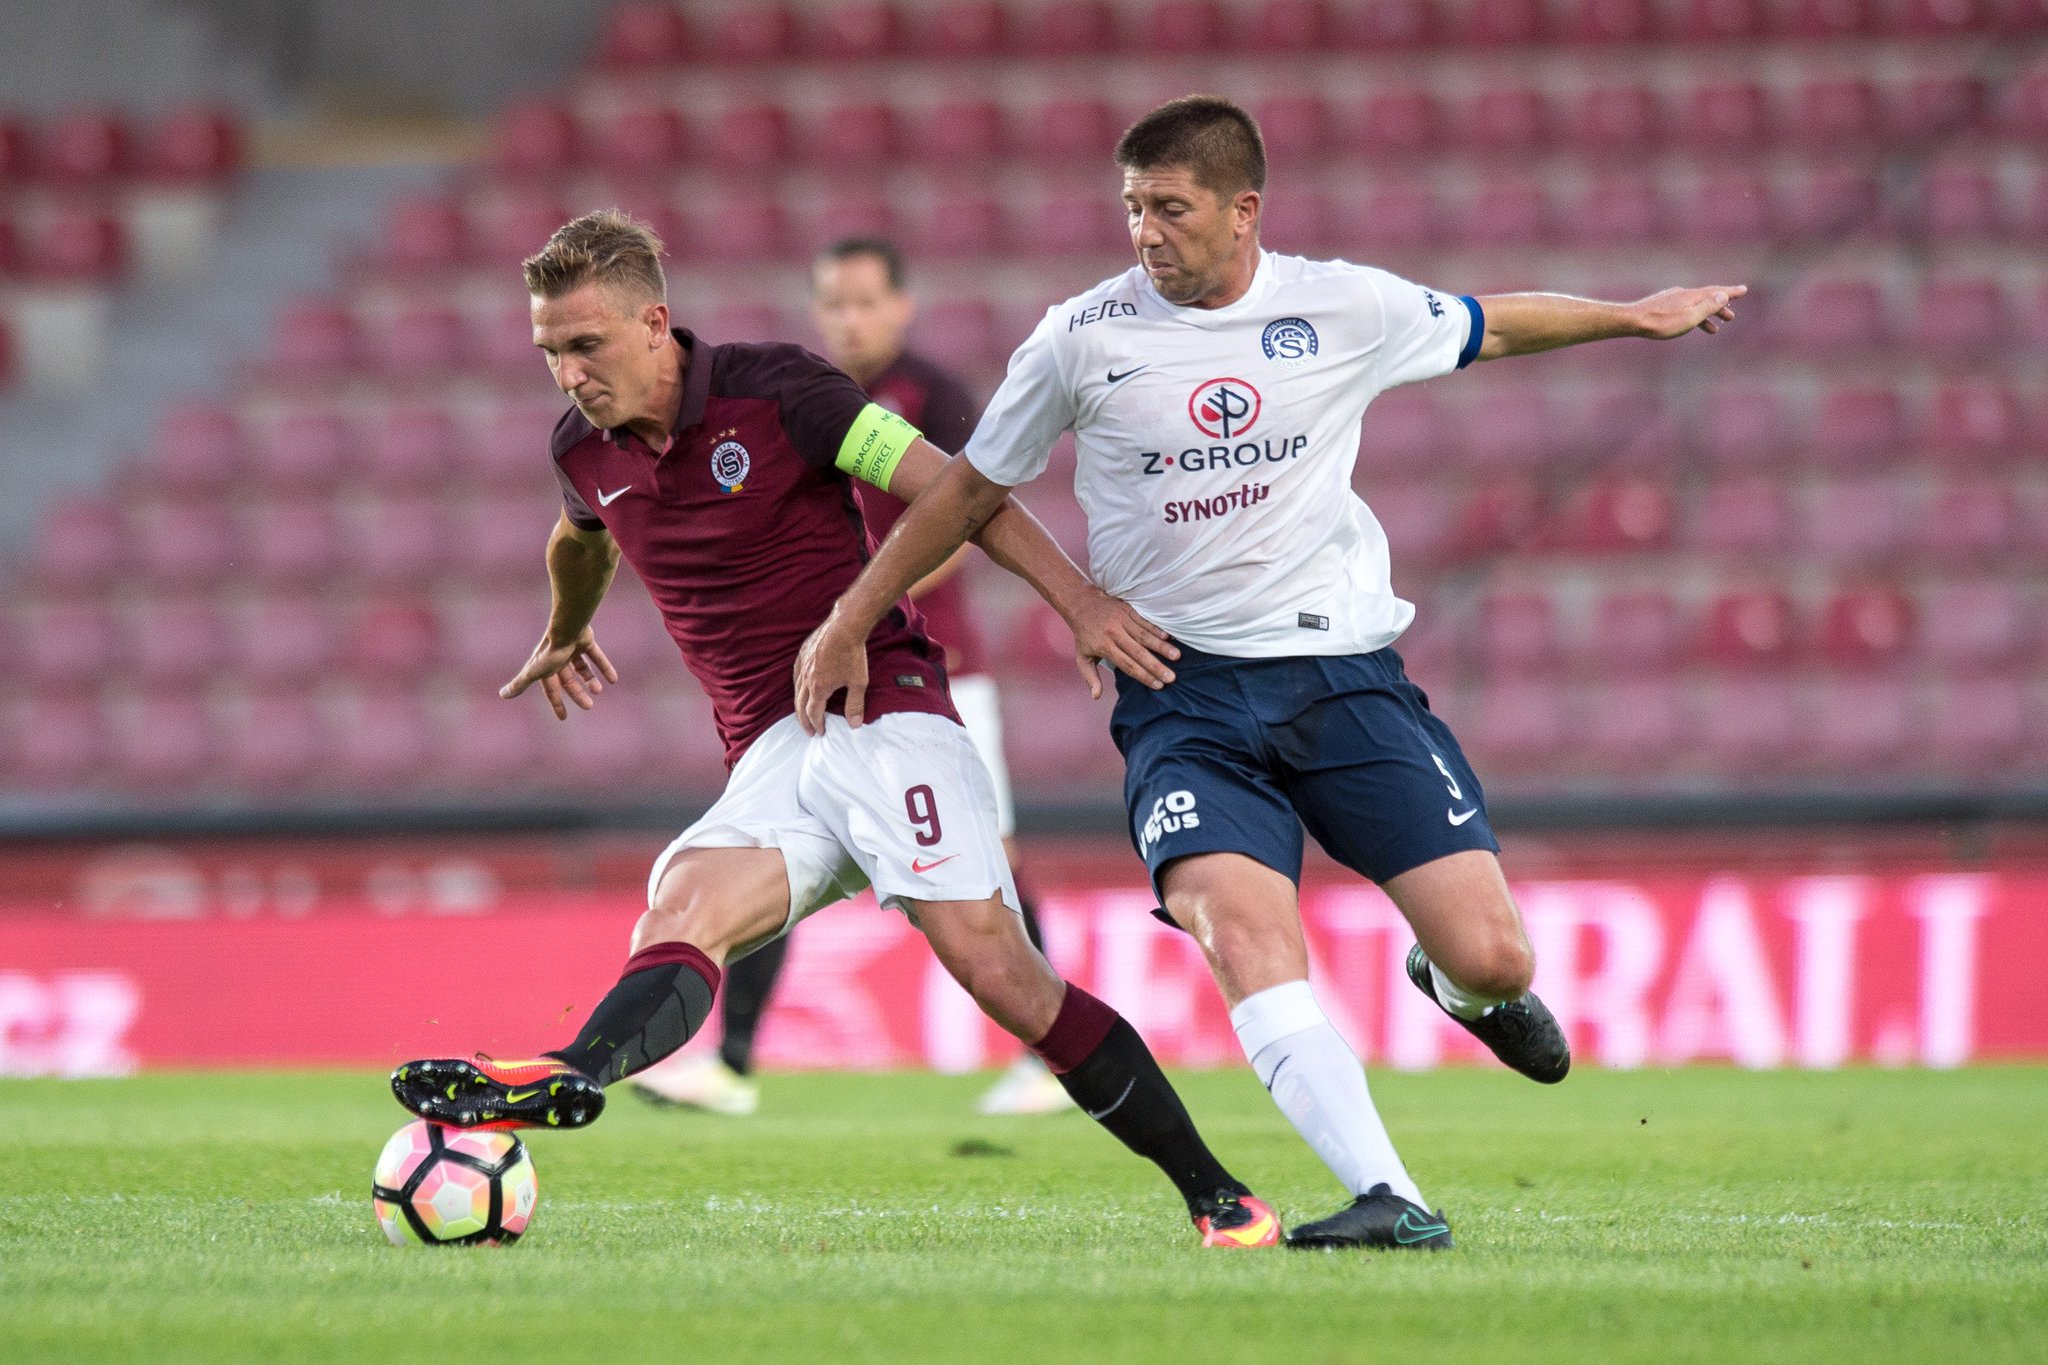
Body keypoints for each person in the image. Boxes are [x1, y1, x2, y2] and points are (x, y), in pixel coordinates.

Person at [794, 96, 1747, 1251]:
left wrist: (1632, 318)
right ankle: (1392, 1196)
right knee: (1238, 927)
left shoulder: (1339, 304)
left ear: (1242, 210)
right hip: (1180, 695)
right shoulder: (1078, 337)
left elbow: (1487, 324)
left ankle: (1459, 993)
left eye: (1171, 208)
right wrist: (890, 610)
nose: (1145, 232)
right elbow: (965, 489)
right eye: (1131, 207)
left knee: (1493, 954)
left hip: (1340, 675)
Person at [388, 209, 1282, 1251]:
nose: (568, 373)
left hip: (886, 707)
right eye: (549, 353)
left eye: (585, 346)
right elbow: (579, 533)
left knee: (1001, 973)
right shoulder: (581, 449)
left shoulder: (783, 391)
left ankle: (1218, 1194)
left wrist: (1077, 604)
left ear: (652, 324)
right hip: (770, 750)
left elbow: (958, 492)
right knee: (682, 909)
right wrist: (564, 627)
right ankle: (570, 1073)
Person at [630, 236, 1068, 1118]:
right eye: (834, 302)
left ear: (903, 307)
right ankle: (735, 1059)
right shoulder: (805, 398)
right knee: (772, 835)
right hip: (828, 674)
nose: (850, 318)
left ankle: (1051, 1054)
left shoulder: (932, 395)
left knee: (995, 857)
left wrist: (862, 609)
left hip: (930, 671)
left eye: (867, 301)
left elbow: (962, 513)